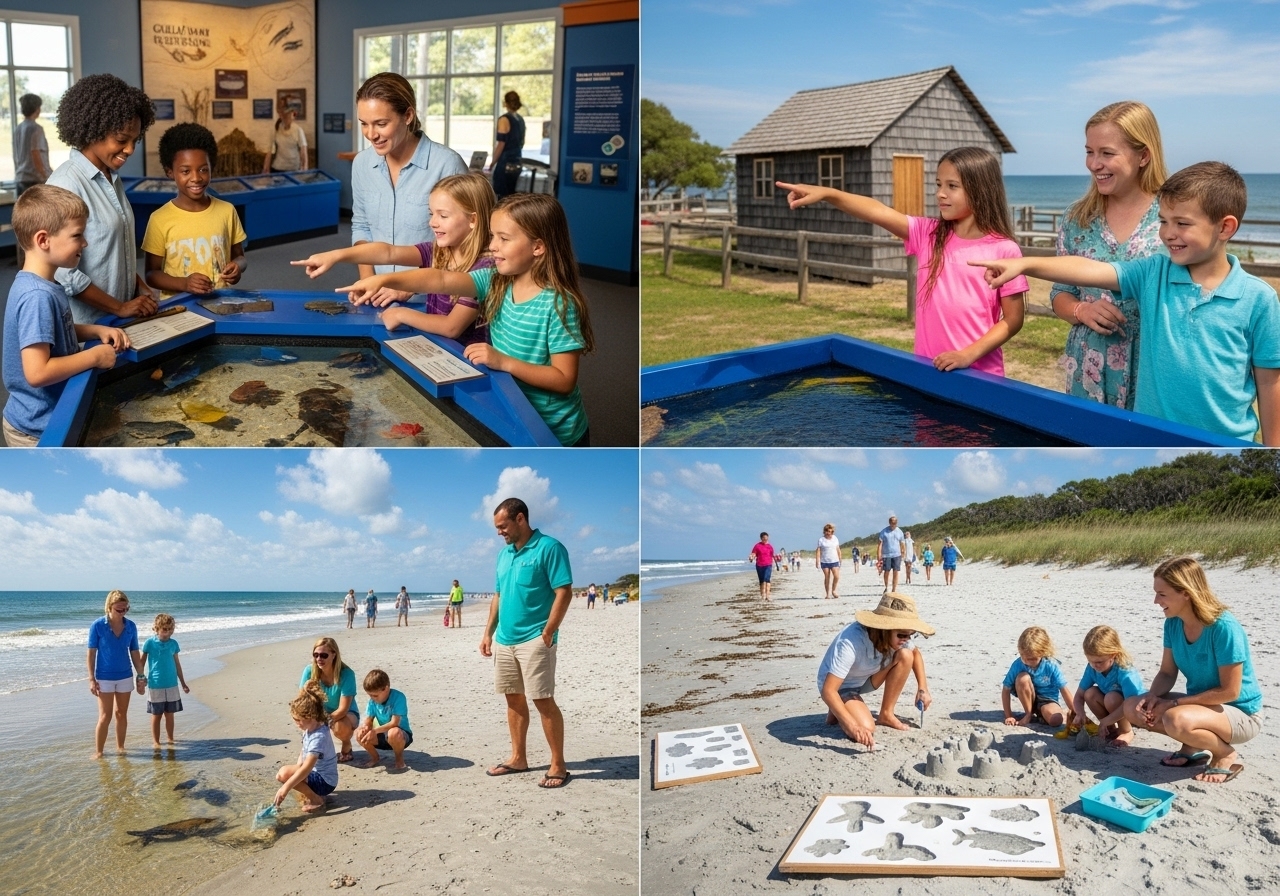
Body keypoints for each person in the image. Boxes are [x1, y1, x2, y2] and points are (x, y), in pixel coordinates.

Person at [972, 162, 1280, 444]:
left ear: (1225, 227)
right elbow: (1089, 269)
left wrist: (1272, 453)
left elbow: (1269, 385)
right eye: (1163, 221)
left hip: (1228, 447)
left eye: (1182, 223)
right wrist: (1025, 265)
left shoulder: (1259, 300)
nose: (1168, 234)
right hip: (1149, 440)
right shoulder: (1152, 274)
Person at [337, 193, 595, 445]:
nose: (492, 245)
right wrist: (383, 279)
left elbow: (563, 380)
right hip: (512, 407)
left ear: (538, 247)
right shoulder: (494, 280)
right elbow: (440, 279)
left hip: (555, 432)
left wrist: (504, 361)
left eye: (504, 238)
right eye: (493, 236)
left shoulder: (560, 304)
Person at [778, 146, 1029, 374]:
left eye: (952, 186)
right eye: (938, 184)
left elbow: (1013, 319)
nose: (940, 193)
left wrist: (967, 355)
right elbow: (877, 210)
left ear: (981, 190)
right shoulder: (927, 234)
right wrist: (828, 194)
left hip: (981, 377)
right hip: (927, 370)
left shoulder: (1004, 250)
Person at [1051, 102, 1167, 409]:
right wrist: (1081, 311)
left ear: (1143, 155)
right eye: (1090, 151)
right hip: (1088, 369)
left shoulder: (1174, 216)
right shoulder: (1077, 219)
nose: (1093, 163)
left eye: (1107, 153)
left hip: (1154, 371)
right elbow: (1060, 293)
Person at [293, 172, 496, 343]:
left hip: (465, 359)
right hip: (438, 345)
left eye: (443, 216)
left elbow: (452, 327)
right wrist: (335, 255)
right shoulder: (440, 250)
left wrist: (401, 314)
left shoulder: (484, 267)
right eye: (431, 213)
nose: (433, 223)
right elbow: (388, 252)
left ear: (473, 219)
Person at [2, 186, 129, 446]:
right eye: (77, 235)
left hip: (47, 416)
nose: (85, 242)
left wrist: (94, 331)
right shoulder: (37, 296)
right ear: (43, 240)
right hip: (36, 429)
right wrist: (93, 356)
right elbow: (37, 372)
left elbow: (54, 331)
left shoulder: (43, 284)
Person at [1121, 556, 1262, 784]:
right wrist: (1152, 696)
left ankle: (1224, 753)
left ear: (1186, 592)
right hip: (1202, 707)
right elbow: (1167, 673)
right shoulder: (1173, 623)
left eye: (1162, 594)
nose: (1156, 601)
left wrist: (1175, 703)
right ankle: (1192, 747)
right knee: (1131, 707)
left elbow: (1230, 692)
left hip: (1241, 713)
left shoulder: (1223, 627)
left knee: (1176, 719)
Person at [47, 73, 158, 323]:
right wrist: (118, 307)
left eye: (135, 140)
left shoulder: (111, 178)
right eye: (121, 140)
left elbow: (113, 254)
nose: (130, 149)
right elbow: (64, 274)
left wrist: (139, 287)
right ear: (93, 129)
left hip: (121, 321)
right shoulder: (66, 183)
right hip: (88, 329)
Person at [349, 72, 468, 305]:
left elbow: (467, 242)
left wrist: (409, 288)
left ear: (408, 115)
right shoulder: (362, 164)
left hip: (434, 301)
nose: (371, 134)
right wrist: (368, 281)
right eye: (364, 124)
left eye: (381, 124)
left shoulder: (447, 164)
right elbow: (362, 226)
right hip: (378, 299)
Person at [480, 497, 573, 788]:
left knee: (543, 700)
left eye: (503, 526)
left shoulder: (550, 548)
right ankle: (518, 758)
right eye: (497, 528)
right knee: (513, 698)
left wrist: (549, 630)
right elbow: (498, 596)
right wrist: (487, 633)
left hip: (535, 638)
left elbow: (564, 591)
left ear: (520, 519)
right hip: (505, 640)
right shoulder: (503, 555)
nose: (499, 532)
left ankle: (558, 765)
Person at [818, 592, 935, 750]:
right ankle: (840, 707)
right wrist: (853, 727)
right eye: (902, 635)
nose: (906, 639)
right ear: (884, 629)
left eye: (911, 635)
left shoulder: (902, 637)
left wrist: (923, 688)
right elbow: (828, 690)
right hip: (839, 685)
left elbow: (915, 653)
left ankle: (886, 714)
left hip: (865, 678)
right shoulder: (851, 641)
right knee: (866, 727)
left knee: (906, 655)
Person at [141, 123, 246, 298]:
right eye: (185, 171)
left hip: (221, 304)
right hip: (179, 309)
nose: (196, 178)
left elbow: (240, 257)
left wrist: (237, 267)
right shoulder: (159, 219)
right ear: (170, 172)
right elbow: (151, 274)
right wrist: (184, 283)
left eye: (203, 170)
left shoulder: (227, 211)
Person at [1063, 624, 1144, 745]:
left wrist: (1104, 720)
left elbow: (1131, 703)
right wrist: (1080, 714)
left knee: (1111, 698)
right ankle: (1110, 729)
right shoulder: (1092, 668)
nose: (1095, 666)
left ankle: (1126, 731)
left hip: (1135, 709)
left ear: (1113, 654)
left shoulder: (1124, 670)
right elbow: (1079, 695)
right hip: (1113, 706)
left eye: (1099, 662)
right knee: (1090, 693)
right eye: (1090, 661)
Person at [86, 590, 144, 759]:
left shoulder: (131, 626)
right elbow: (91, 653)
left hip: (125, 675)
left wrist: (141, 676)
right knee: (105, 716)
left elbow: (134, 652)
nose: (123, 612)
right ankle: (99, 752)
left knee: (121, 714)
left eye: (126, 609)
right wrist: (91, 679)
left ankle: (121, 747)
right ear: (109, 607)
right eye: (119, 609)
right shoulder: (97, 626)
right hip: (104, 677)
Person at [275, 680, 338, 812]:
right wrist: (298, 768)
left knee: (283, 774)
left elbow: (307, 768)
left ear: (311, 716)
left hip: (325, 782)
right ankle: (316, 794)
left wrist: (285, 788)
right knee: (293, 773)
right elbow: (304, 751)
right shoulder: (313, 726)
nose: (296, 723)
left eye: (298, 720)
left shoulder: (318, 737)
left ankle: (316, 798)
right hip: (320, 775)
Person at [299, 636, 359, 763]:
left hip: (346, 713)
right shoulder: (309, 671)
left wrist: (321, 722)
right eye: (316, 655)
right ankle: (312, 750)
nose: (319, 659)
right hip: (320, 710)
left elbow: (342, 709)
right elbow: (301, 701)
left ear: (334, 655)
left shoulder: (347, 674)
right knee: (303, 716)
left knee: (339, 726)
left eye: (323, 655)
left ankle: (346, 743)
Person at [1002, 626, 1074, 729]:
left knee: (1056, 720)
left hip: (1047, 700)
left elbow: (1064, 689)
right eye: (1024, 657)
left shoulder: (1051, 665)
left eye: (1032, 659)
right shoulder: (1018, 664)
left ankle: (1047, 713)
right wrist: (1009, 716)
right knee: (1023, 678)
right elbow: (1006, 689)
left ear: (1043, 653)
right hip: (1028, 697)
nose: (1027, 661)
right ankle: (1028, 714)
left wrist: (1076, 712)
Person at [141, 613, 189, 750]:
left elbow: (177, 664)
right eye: (164, 629)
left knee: (170, 714)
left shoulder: (174, 644)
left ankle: (170, 738)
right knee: (156, 715)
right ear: (156, 628)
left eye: (170, 629)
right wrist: (141, 677)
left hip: (172, 684)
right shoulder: (149, 643)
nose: (167, 632)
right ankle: (156, 741)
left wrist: (183, 683)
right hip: (155, 684)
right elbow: (141, 662)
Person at [355, 668, 413, 770]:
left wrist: (374, 730)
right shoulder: (372, 702)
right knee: (359, 733)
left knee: (393, 733)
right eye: (370, 695)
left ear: (386, 689)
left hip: (401, 736)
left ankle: (399, 761)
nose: (372, 698)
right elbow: (369, 719)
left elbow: (394, 722)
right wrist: (365, 727)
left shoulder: (398, 697)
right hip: (382, 736)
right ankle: (375, 757)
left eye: (375, 695)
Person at [491, 90, 527, 198]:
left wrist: (493, 162)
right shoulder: (521, 120)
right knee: (511, 195)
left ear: (505, 103)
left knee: (501, 195)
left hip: (505, 161)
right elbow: (522, 142)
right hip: (517, 160)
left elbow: (501, 144)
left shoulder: (504, 119)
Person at [14, 93, 49, 196]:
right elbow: (35, 153)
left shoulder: (18, 129)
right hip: (34, 180)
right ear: (37, 109)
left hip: (21, 178)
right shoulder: (36, 128)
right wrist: (45, 177)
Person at [262, 100, 307, 173]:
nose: (285, 117)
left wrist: (304, 169)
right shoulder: (276, 129)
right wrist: (266, 168)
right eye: (282, 114)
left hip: (294, 169)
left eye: (287, 114)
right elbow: (269, 151)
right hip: (277, 168)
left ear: (292, 114)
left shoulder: (298, 130)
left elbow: (303, 152)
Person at [877, 515, 905, 594]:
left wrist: (903, 552)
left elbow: (902, 543)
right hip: (886, 555)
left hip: (897, 554)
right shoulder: (884, 532)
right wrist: (879, 554)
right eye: (892, 522)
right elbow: (880, 544)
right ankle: (886, 586)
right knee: (887, 571)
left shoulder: (899, 532)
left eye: (895, 522)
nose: (894, 524)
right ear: (889, 523)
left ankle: (894, 589)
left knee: (896, 571)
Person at [816, 523, 842, 600]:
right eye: (827, 531)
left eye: (830, 532)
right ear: (824, 532)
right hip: (825, 561)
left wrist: (840, 558)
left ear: (832, 532)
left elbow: (838, 549)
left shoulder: (835, 538)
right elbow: (818, 551)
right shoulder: (821, 540)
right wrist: (817, 560)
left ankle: (833, 591)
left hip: (834, 560)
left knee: (836, 576)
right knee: (827, 577)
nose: (829, 533)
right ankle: (827, 594)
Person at [749, 531, 774, 601]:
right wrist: (751, 557)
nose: (765, 539)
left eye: (766, 538)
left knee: (767, 580)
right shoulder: (757, 546)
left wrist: (774, 563)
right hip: (759, 565)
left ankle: (768, 595)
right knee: (762, 580)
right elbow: (753, 554)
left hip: (768, 565)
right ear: (761, 538)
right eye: (764, 538)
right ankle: (763, 595)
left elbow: (772, 555)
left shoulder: (770, 547)